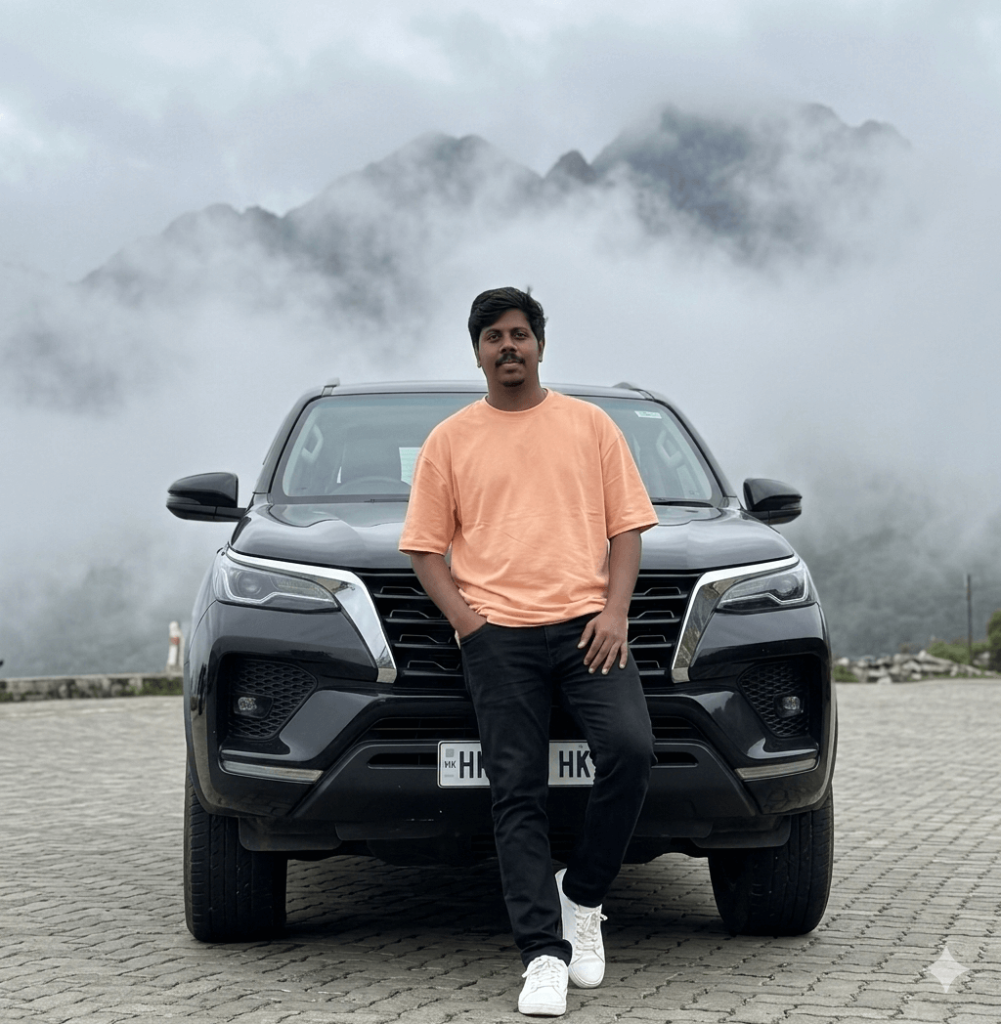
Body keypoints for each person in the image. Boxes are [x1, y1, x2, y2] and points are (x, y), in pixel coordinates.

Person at [399, 287, 657, 1017]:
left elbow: (626, 529)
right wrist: (469, 626)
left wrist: (614, 612)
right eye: (493, 336)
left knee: (632, 750)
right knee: (516, 793)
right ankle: (542, 956)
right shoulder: (450, 440)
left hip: (587, 630)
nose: (507, 346)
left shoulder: (590, 425)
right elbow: (423, 549)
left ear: (540, 344)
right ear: (477, 351)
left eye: (519, 333)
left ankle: (584, 897)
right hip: (498, 639)